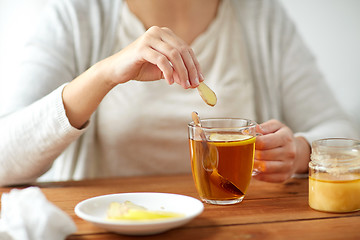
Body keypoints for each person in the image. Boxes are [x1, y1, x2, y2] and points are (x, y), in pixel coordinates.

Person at [0, 0, 358, 186]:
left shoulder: (261, 17)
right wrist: (103, 74)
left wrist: (299, 152)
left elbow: (343, 134)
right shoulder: (75, 17)